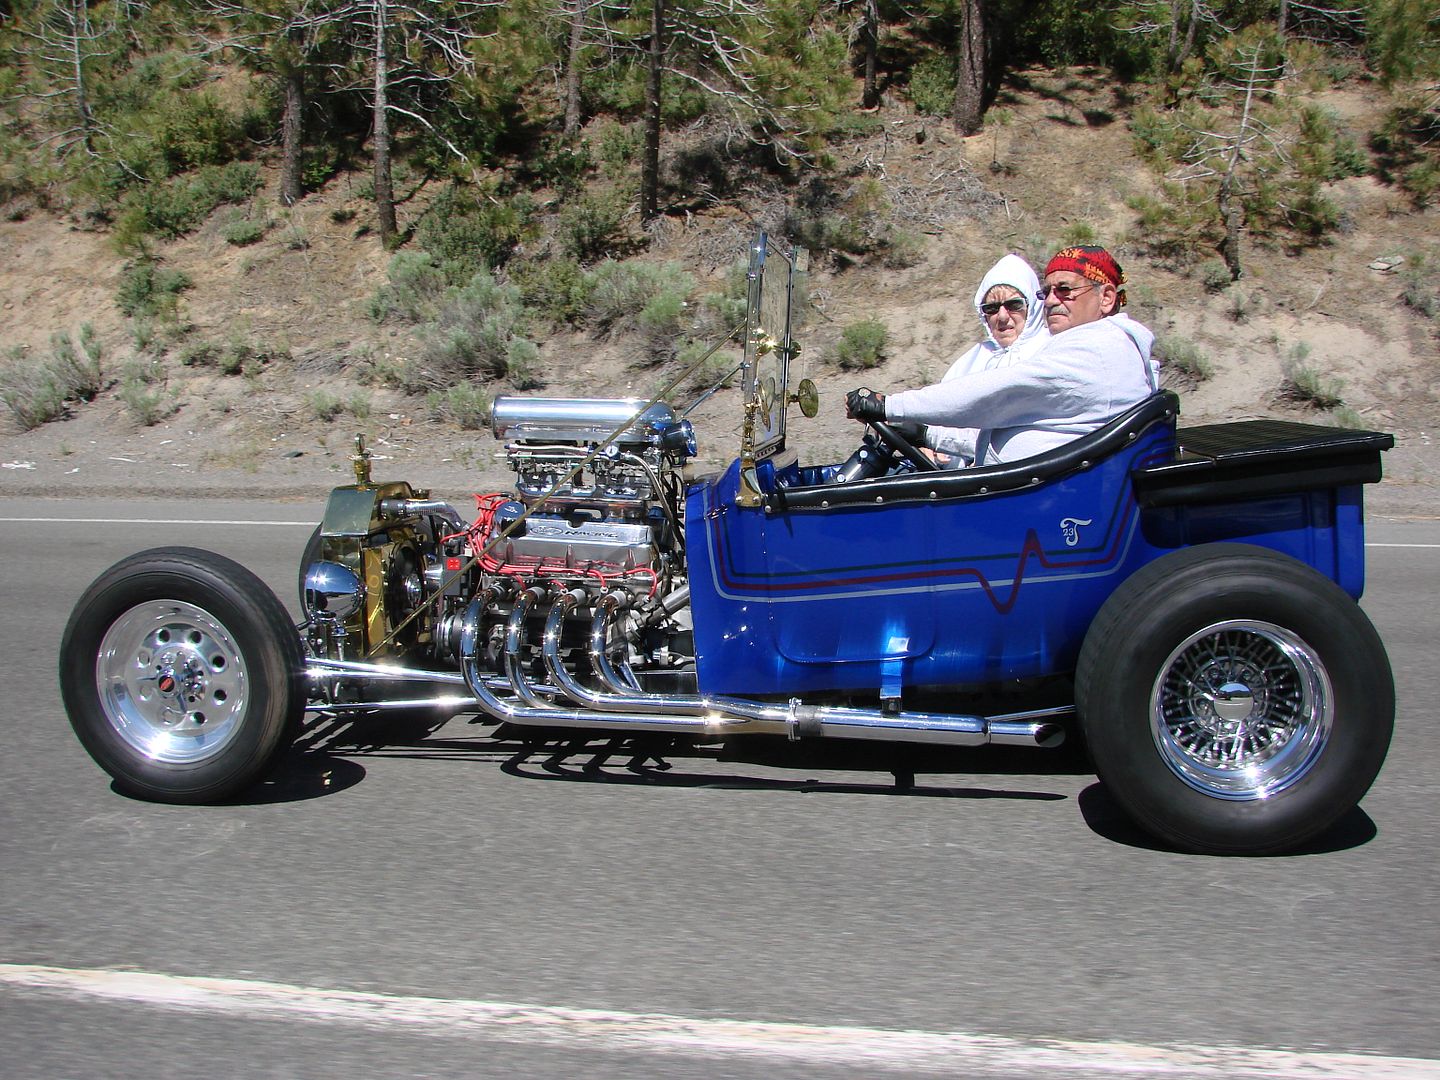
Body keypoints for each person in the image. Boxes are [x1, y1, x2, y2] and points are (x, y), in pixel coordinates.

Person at [846, 245, 1159, 466]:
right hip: (1025, 489)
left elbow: (997, 395)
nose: (1051, 301)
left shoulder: (1094, 350)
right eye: (1047, 292)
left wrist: (890, 406)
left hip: (1035, 502)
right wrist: (926, 434)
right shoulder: (1097, 345)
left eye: (1065, 290)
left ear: (1106, 298)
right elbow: (1004, 424)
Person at [925, 253, 1050, 465]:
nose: (1002, 316)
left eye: (1014, 305)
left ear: (1032, 306)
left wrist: (931, 436)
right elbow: (938, 408)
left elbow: (1006, 435)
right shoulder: (974, 358)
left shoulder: (1048, 353)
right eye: (991, 308)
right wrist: (925, 442)